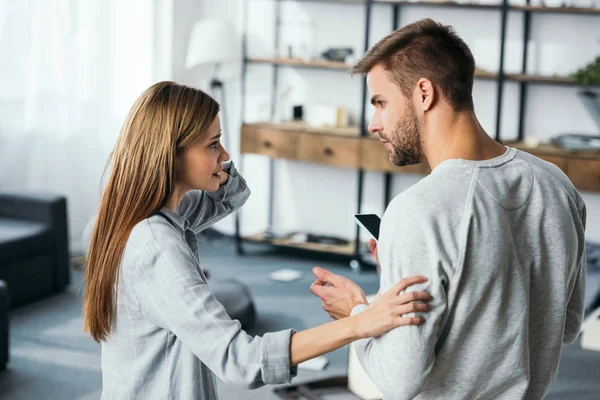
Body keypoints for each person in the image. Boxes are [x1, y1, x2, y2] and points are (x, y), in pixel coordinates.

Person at [82, 81, 434, 400]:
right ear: (170, 154)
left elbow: (231, 196)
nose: (224, 155)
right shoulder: (157, 245)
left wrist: (213, 155)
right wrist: (358, 323)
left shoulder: (149, 215)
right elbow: (240, 360)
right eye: (212, 144)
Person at [310, 18, 587, 400]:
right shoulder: (558, 184)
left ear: (424, 93)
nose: (374, 124)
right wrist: (401, 261)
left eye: (381, 103)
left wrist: (357, 314)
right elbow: (566, 324)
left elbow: (399, 381)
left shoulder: (418, 210)